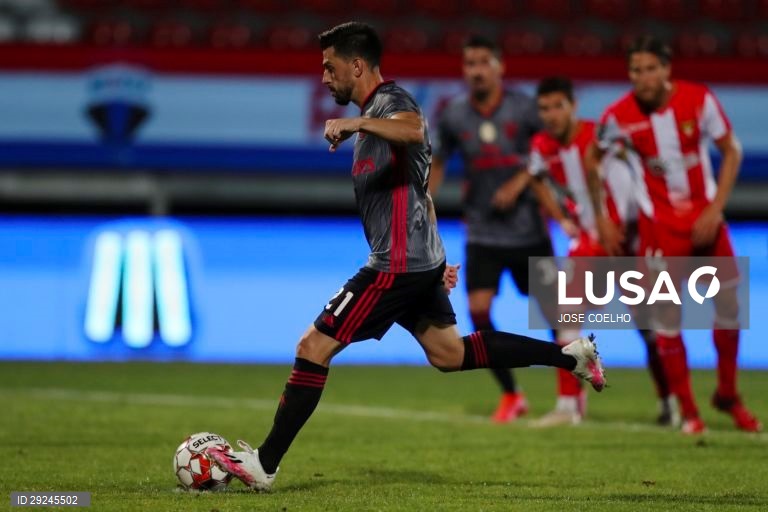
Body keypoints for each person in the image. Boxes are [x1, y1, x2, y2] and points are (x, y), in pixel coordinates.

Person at [205, 22, 606, 491]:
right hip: (417, 263)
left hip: (394, 267)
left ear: (357, 66)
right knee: (449, 353)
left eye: (329, 68)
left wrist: (355, 124)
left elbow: (414, 129)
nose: (324, 78)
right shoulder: (376, 119)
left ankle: (264, 465)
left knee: (312, 348)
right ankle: (570, 356)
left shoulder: (391, 105)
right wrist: (438, 257)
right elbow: (420, 194)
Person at [585, 35, 760, 434]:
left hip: (706, 223)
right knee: (667, 319)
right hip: (660, 230)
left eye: (650, 69)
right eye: (635, 70)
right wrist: (602, 218)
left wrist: (715, 210)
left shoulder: (698, 100)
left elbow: (732, 150)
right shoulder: (618, 116)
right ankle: (690, 413)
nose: (643, 78)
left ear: (666, 70)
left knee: (730, 311)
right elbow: (592, 161)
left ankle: (728, 394)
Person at [527, 76, 672, 426]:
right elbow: (535, 178)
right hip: (591, 241)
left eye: (557, 106)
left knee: (649, 325)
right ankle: (568, 406)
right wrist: (562, 218)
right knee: (565, 316)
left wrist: (622, 220)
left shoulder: (597, 136)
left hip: (625, 240)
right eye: (544, 108)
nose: (551, 114)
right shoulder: (542, 144)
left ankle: (672, 401)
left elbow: (631, 170)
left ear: (573, 106)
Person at [429, 35, 557, 423]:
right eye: (470, 63)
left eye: (484, 62)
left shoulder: (525, 107)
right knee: (478, 311)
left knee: (558, 315)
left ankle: (573, 394)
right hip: (482, 232)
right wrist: (426, 203)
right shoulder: (454, 115)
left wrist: (518, 184)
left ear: (500, 66)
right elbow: (438, 160)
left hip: (529, 231)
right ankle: (512, 394)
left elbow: (549, 149)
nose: (477, 70)